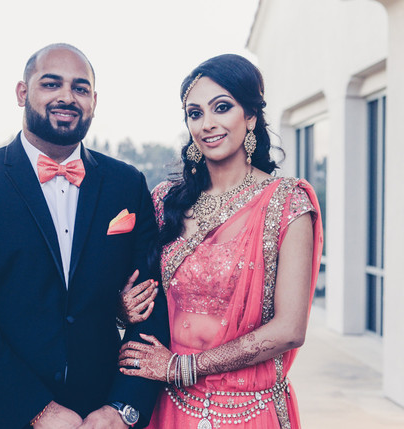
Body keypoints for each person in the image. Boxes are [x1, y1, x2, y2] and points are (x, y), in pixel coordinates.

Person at [0, 43, 169, 429]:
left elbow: (150, 302)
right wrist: (35, 409)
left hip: (97, 414)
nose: (67, 97)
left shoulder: (127, 184)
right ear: (23, 93)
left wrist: (123, 408)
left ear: (94, 100)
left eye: (80, 88)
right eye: (51, 84)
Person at [117, 54, 323, 429]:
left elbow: (290, 329)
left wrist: (182, 367)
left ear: (251, 117)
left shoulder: (287, 202)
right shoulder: (165, 200)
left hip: (248, 410)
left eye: (222, 108)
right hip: (167, 406)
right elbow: (137, 285)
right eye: (195, 113)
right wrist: (124, 308)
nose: (207, 124)